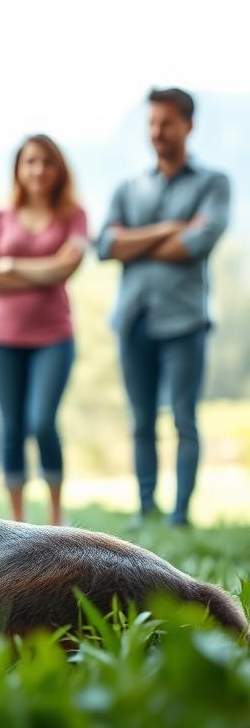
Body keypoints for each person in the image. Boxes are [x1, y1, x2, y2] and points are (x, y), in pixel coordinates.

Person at [96, 88, 229, 528]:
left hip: (185, 321)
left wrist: (135, 242)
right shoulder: (128, 187)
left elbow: (197, 243)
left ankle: (180, 514)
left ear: (188, 125)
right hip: (133, 319)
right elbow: (106, 245)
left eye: (166, 123)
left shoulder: (213, 183)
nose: (157, 132)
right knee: (141, 421)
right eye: (151, 123)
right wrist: (170, 228)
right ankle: (145, 507)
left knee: (184, 420)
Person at [0, 134, 88, 526]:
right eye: (30, 162)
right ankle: (17, 522)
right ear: (19, 170)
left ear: (59, 169)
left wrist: (11, 266)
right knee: (12, 428)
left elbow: (67, 268)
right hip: (0, 340)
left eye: (46, 161)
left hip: (54, 337)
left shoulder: (73, 216)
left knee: (41, 422)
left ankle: (56, 517)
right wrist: (44, 270)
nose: (38, 169)